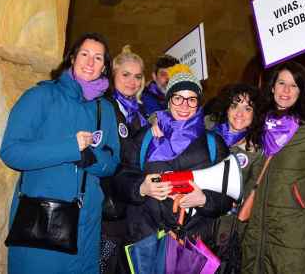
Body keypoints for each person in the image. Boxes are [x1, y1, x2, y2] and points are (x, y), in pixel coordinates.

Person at [0, 32, 121, 274]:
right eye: (84, 54)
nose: (90, 62)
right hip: (44, 221)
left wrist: (90, 159)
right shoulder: (40, 96)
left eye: (98, 58)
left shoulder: (104, 109)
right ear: (72, 58)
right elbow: (12, 151)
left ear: (104, 67)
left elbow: (112, 163)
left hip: (88, 225)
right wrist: (69, 148)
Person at [241, 61, 305, 274]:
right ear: (272, 87)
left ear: (302, 91)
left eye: (294, 85)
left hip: (293, 232)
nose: (286, 90)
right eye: (281, 83)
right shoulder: (260, 123)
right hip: (257, 229)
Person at [113, 64, 234, 248]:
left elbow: (227, 195)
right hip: (146, 240)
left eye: (191, 99)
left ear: (198, 103)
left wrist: (204, 200)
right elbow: (120, 179)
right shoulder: (146, 137)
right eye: (178, 98)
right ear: (169, 101)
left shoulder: (213, 144)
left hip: (192, 245)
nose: (184, 105)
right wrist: (142, 188)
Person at [208, 83, 265, 273]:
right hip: (197, 220)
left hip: (225, 228)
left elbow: (250, 192)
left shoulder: (256, 151)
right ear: (226, 108)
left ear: (255, 114)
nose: (239, 113)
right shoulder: (207, 130)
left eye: (247, 108)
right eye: (235, 105)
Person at [100, 45, 147, 274]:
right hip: (106, 205)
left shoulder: (140, 115)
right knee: (103, 264)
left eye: (137, 76)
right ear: (113, 75)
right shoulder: (104, 106)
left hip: (130, 206)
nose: (132, 81)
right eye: (125, 74)